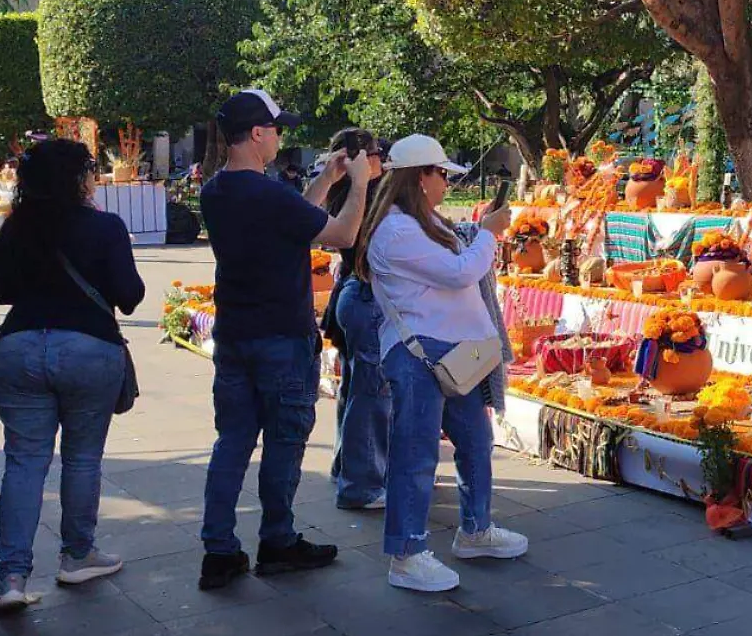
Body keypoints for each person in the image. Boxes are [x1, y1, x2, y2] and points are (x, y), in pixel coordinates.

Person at [196, 90, 372, 590]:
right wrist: (356, 185)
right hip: (282, 338)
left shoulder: (216, 192)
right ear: (257, 134)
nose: (279, 138)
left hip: (236, 336)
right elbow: (338, 234)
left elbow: (290, 221)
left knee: (231, 443)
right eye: (275, 129)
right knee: (283, 441)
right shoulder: (268, 194)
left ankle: (219, 549)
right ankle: (277, 539)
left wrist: (325, 179)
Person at [0, 139, 144, 613]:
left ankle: (11, 578)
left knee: (24, 462)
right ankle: (77, 555)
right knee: (81, 458)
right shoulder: (105, 227)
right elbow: (130, 295)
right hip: (88, 347)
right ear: (79, 180)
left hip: (18, 347)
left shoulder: (15, 228)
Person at [362, 134, 520, 592]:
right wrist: (488, 234)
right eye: (442, 174)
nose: (447, 182)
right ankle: (407, 553)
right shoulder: (396, 230)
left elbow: (457, 259)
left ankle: (475, 530)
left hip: (452, 353)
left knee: (475, 440)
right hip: (420, 355)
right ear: (420, 177)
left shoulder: (419, 220)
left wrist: (482, 232)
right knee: (415, 453)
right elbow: (459, 271)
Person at [318, 129, 390, 510]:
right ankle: (360, 483)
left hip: (351, 296)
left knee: (355, 388)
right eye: (378, 153)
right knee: (370, 393)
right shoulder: (363, 195)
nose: (383, 160)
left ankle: (347, 467)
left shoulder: (348, 192)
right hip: (364, 296)